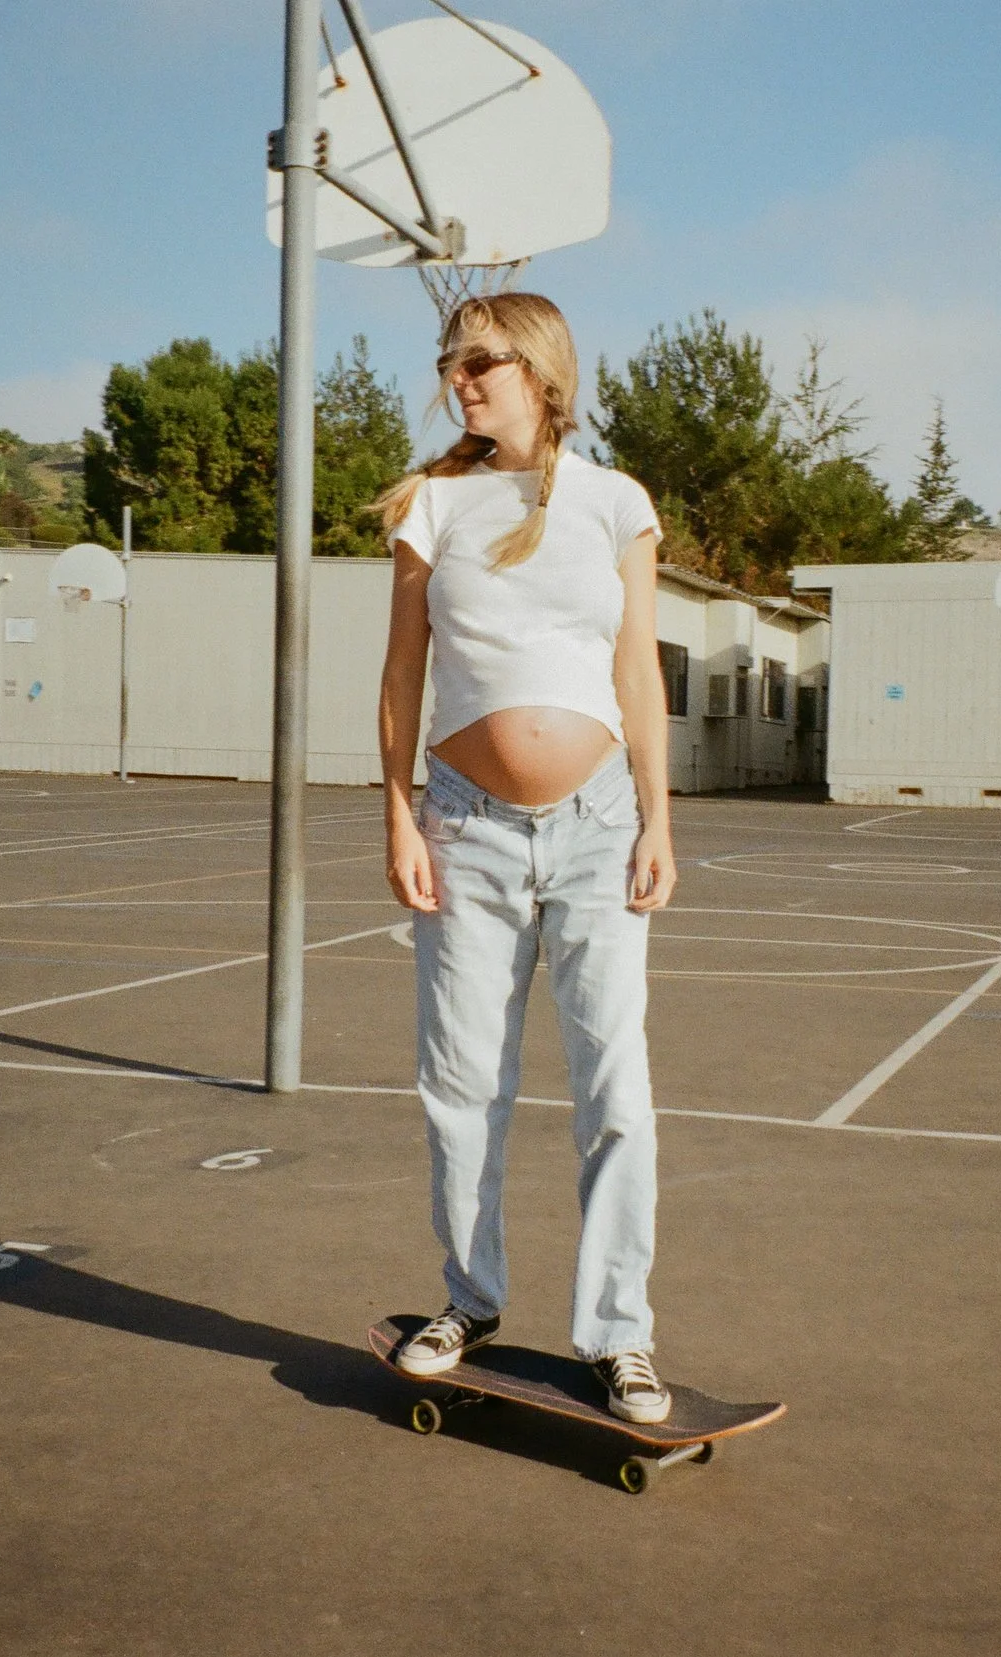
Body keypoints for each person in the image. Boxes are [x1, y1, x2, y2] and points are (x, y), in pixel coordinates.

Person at [373, 292, 677, 1424]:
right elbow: (402, 672)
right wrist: (399, 815)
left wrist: (657, 817)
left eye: (483, 361)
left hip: (598, 829)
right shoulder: (433, 503)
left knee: (615, 1090)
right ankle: (469, 1300)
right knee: (461, 1084)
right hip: (463, 825)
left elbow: (637, 668)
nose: (461, 378)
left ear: (542, 371)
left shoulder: (613, 501)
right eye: (452, 362)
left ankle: (618, 1336)